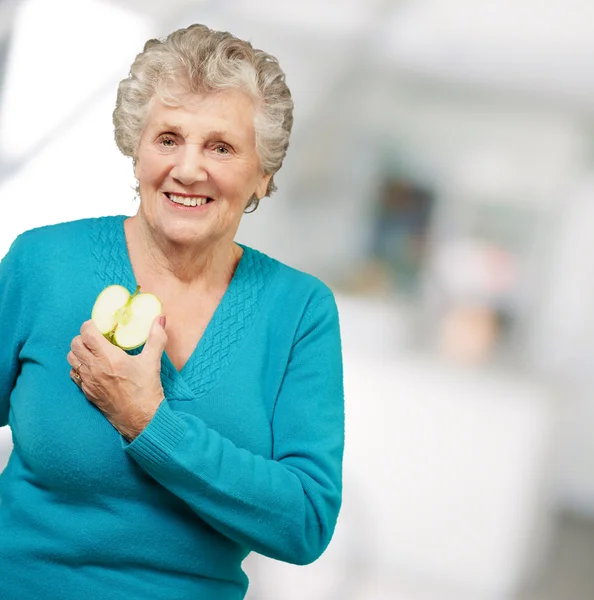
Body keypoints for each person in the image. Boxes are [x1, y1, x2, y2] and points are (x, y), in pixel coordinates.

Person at [0, 23, 344, 600]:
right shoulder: (44, 262)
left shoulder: (300, 311)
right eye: (167, 139)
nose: (188, 169)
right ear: (136, 149)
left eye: (221, 146)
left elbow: (304, 521)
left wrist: (147, 420)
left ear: (264, 175)